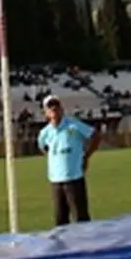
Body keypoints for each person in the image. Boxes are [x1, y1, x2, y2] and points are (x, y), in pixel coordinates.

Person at [36, 94, 100, 226]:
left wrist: (86, 156)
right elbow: (42, 147)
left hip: (74, 178)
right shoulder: (45, 133)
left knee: (81, 219)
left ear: (61, 108)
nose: (54, 109)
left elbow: (94, 135)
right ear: (46, 113)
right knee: (60, 220)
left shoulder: (73, 125)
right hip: (56, 181)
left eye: (56, 106)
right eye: (50, 107)